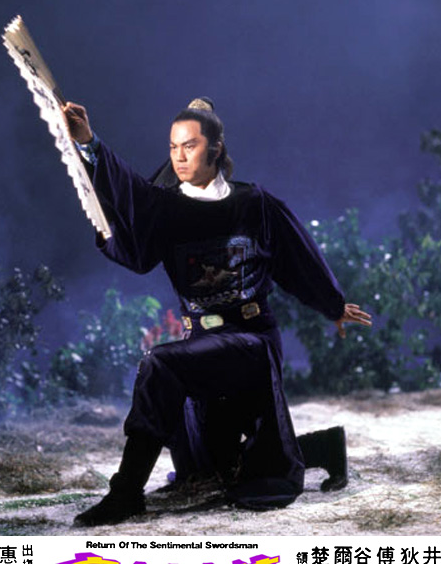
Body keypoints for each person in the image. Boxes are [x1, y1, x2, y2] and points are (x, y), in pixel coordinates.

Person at [63, 97, 372, 527]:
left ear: (215, 148)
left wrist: (333, 305)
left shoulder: (255, 203)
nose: (179, 156)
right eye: (173, 147)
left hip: (251, 340)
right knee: (213, 466)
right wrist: (90, 145)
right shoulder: (167, 207)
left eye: (189, 146)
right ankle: (324, 447)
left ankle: (126, 493)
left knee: (160, 365)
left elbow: (297, 255)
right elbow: (131, 195)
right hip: (202, 342)